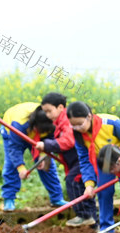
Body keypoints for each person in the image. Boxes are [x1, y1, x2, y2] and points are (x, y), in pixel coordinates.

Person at [68, 102, 120, 232]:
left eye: (80, 124)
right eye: (73, 125)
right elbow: (85, 160)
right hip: (103, 160)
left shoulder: (111, 123)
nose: (77, 128)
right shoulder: (78, 135)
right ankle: (107, 228)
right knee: (104, 192)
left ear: (89, 117)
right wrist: (89, 185)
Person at [0, 102, 67, 212]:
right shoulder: (18, 125)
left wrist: (42, 155)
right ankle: (9, 198)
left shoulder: (51, 121)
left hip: (38, 137)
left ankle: (56, 198)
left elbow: (49, 139)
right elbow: (14, 150)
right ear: (35, 126)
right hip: (12, 131)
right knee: (11, 164)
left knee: (47, 164)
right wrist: (21, 168)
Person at [39, 92, 93, 225]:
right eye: (45, 112)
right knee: (80, 185)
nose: (47, 115)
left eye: (49, 111)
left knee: (74, 182)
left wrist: (47, 144)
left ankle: (85, 216)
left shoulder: (67, 120)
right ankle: (90, 216)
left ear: (60, 108)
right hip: (73, 161)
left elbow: (68, 141)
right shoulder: (59, 122)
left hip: (81, 160)